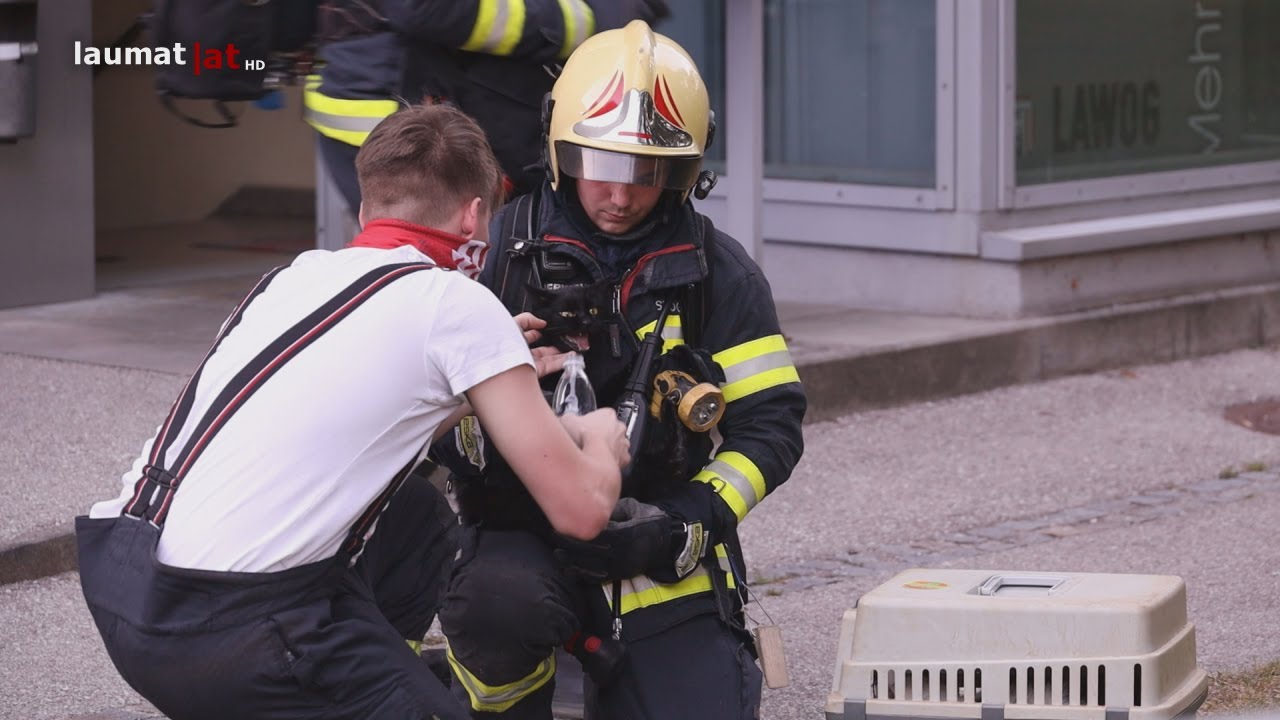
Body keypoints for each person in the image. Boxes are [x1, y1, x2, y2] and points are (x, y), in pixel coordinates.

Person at [75, 102, 629, 720]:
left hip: (128, 590)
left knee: (416, 517)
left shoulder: (292, 277)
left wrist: (483, 376)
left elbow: (351, 412)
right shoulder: (456, 303)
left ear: (368, 207)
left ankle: (360, 683)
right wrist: (602, 437)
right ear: (475, 213)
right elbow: (579, 512)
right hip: (235, 635)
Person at [432, 20, 807, 719]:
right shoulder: (494, 251)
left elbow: (772, 429)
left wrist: (688, 521)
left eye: (652, 172)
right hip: (520, 534)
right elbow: (421, 409)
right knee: (496, 614)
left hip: (658, 541)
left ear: (688, 170)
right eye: (600, 164)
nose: (622, 195)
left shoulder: (718, 276)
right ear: (557, 147)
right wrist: (486, 412)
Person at [305, 0, 669, 213]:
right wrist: (594, 17)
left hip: (438, 116)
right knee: (449, 285)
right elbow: (427, 8)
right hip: (413, 130)